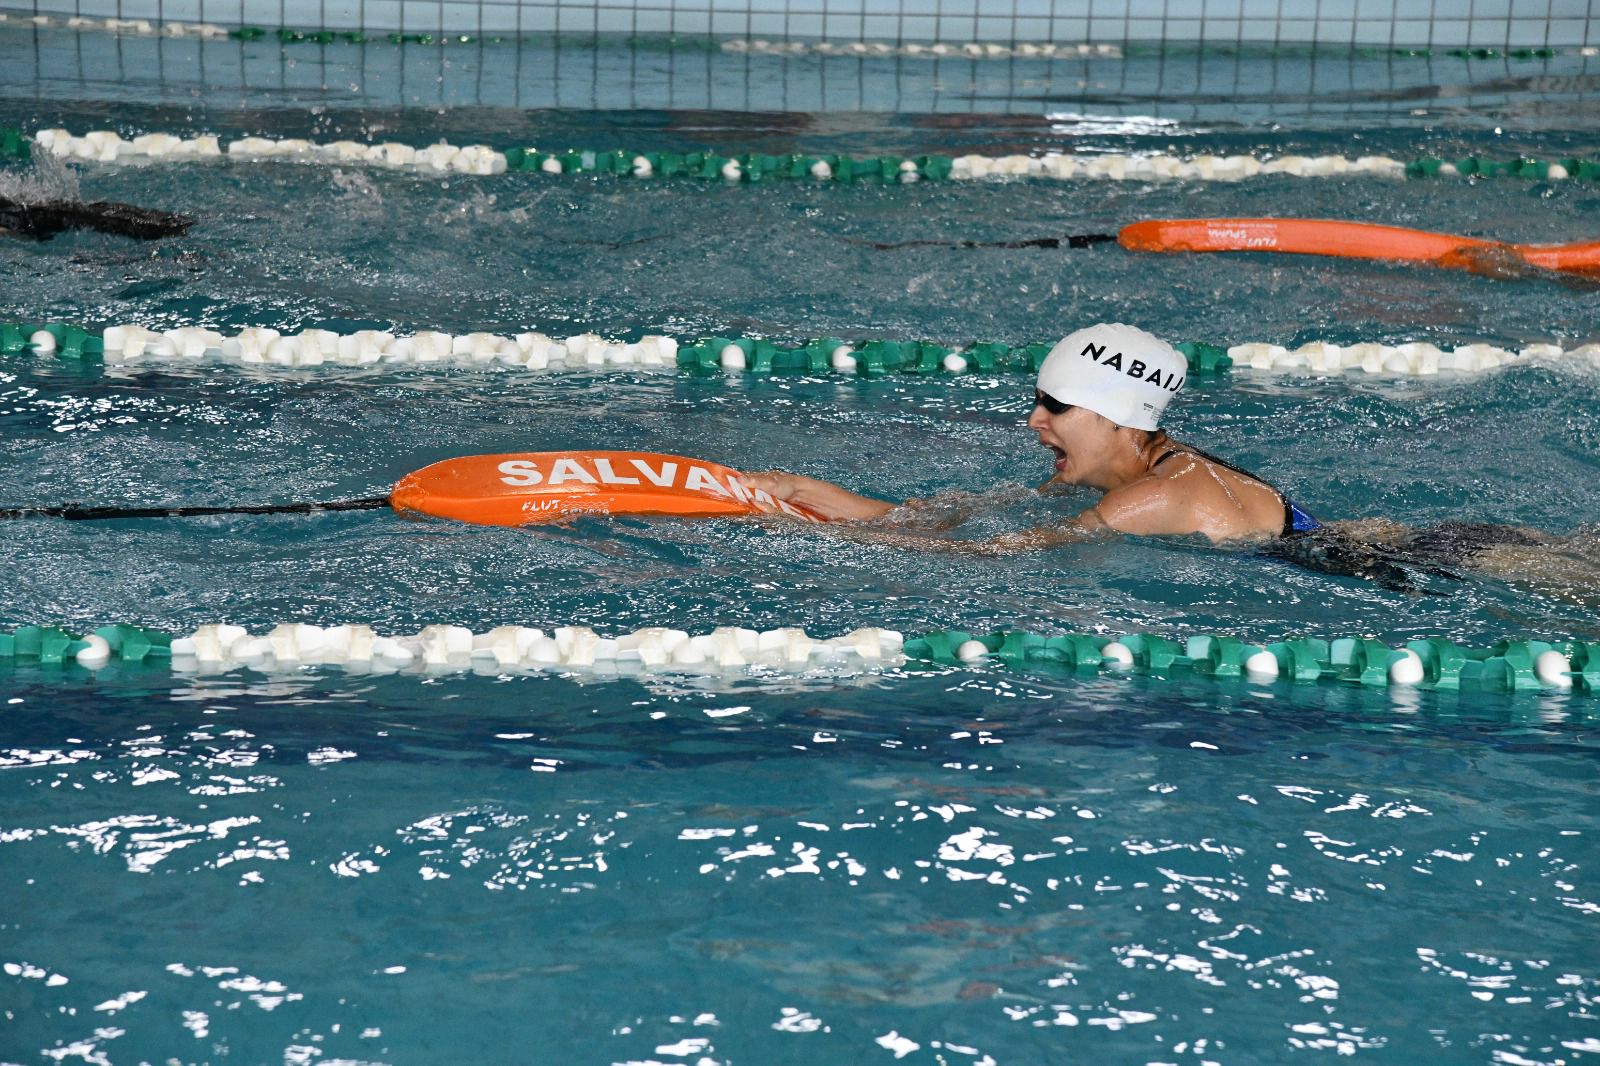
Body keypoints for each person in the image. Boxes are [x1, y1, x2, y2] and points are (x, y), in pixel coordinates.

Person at [746, 322, 1320, 549]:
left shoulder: (1153, 497)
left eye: (1057, 406)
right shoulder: (1142, 469)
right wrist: (804, 493)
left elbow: (991, 557)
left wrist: (810, 538)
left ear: (1119, 419)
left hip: (1368, 567)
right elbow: (940, 516)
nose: (1033, 421)